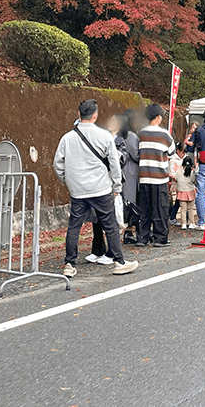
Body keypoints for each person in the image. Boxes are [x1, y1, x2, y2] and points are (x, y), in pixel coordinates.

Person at [53, 99, 138, 277]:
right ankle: (119, 262)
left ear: (78, 114)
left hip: (77, 190)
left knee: (74, 226)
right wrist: (116, 185)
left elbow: (57, 163)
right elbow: (114, 164)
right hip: (101, 188)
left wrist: (66, 180)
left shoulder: (67, 138)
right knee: (110, 225)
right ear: (95, 115)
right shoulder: (105, 136)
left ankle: (69, 263)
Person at [136, 103, 175, 247]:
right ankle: (160, 238)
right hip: (160, 177)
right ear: (158, 117)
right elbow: (172, 152)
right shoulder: (164, 134)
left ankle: (142, 237)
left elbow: (137, 153)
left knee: (144, 209)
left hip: (144, 177)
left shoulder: (140, 133)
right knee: (161, 208)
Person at [115, 110, 141, 244]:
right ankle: (129, 232)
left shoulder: (117, 136)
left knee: (124, 202)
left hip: (121, 171)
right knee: (131, 203)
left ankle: (126, 231)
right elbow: (136, 155)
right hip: (130, 171)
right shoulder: (131, 136)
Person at [173, 154, 198, 229]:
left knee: (183, 209)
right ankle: (191, 223)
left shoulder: (178, 172)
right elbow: (194, 181)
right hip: (190, 191)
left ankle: (183, 224)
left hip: (181, 192)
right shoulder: (191, 173)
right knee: (191, 208)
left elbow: (176, 178)